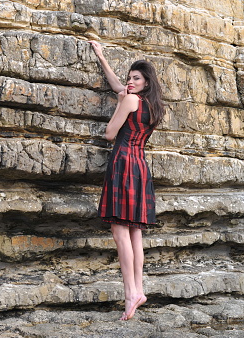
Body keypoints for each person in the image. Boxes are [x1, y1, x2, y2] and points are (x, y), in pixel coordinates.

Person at [88, 41, 165, 321]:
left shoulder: (130, 100)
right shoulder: (153, 106)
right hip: (140, 165)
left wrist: (120, 101)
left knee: (121, 233)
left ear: (146, 82)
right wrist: (101, 56)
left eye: (136, 78)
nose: (130, 82)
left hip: (122, 162)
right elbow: (117, 85)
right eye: (129, 77)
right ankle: (139, 290)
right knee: (135, 234)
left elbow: (110, 133)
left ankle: (131, 293)